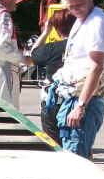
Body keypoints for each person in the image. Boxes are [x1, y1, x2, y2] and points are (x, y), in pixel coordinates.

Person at [53, 0, 104, 158]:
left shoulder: (97, 22)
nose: (75, 10)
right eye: (71, 6)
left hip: (85, 99)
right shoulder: (82, 19)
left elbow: (96, 67)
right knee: (72, 153)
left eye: (78, 5)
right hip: (73, 94)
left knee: (76, 158)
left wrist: (80, 106)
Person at [31, 8, 76, 142]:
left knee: (54, 143)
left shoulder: (53, 48)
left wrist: (46, 32)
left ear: (56, 28)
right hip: (77, 100)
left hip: (54, 101)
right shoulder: (84, 46)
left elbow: (33, 54)